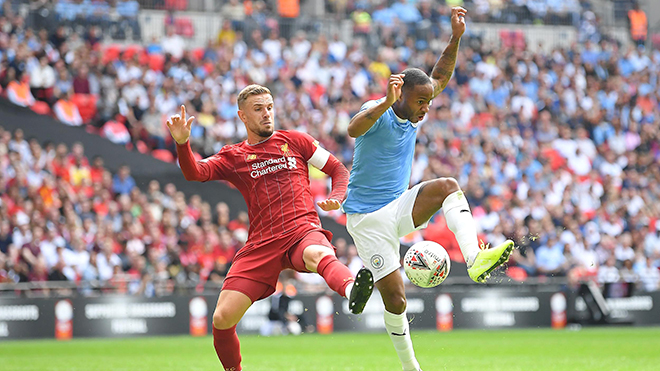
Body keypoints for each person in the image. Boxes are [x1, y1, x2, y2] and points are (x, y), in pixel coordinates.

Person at [343, 7, 514, 371]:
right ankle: (410, 366)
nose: (426, 108)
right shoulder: (380, 108)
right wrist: (386, 104)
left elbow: (440, 76)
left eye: (429, 102)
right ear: (400, 95)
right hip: (367, 219)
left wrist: (455, 38)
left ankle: (474, 258)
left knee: (448, 186)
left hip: (397, 206)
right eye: (421, 102)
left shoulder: (417, 103)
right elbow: (353, 129)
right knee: (397, 300)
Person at [167, 85, 373, 371]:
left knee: (317, 254)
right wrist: (182, 143)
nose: (267, 114)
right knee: (222, 319)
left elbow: (338, 170)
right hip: (262, 244)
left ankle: (353, 291)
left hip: (302, 229)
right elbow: (195, 173)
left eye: (269, 107)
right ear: (242, 116)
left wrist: (337, 197)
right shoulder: (234, 155)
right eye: (258, 109)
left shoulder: (297, 141)